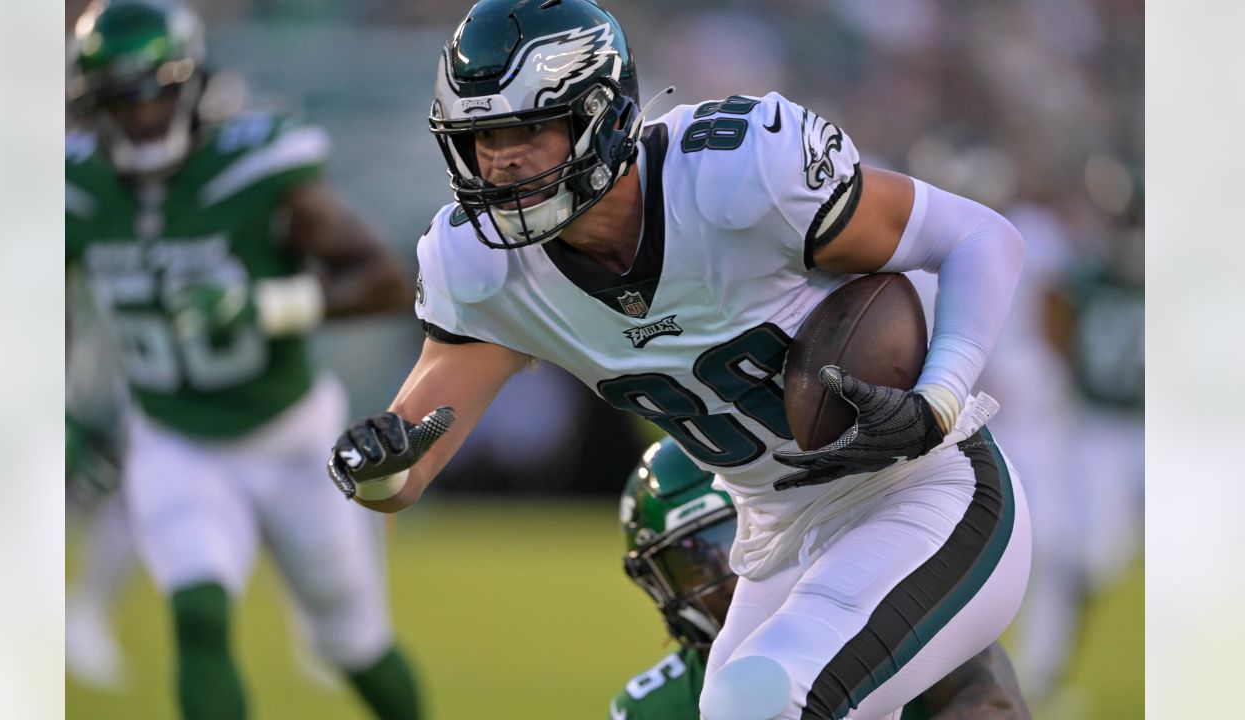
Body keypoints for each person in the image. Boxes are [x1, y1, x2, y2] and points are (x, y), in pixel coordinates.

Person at [328, 1, 1031, 717]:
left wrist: (938, 398)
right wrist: (376, 465)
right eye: (481, 137)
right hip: (776, 538)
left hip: (921, 493)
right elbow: (408, 472)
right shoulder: (482, 268)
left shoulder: (737, 176)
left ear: (601, 116)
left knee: (757, 702)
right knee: (738, 704)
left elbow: (980, 238)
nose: (500, 158)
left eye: (526, 129)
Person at [65, 1, 421, 717]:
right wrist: (66, 412)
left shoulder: (254, 165)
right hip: (175, 438)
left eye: (156, 91)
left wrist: (265, 306)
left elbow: (385, 281)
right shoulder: (77, 189)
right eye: (120, 98)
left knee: (351, 641)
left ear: (193, 84)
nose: (140, 115)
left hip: (290, 436)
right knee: (197, 616)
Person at [612, 437, 1031, 720]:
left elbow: (992, 705)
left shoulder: (900, 623)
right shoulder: (652, 706)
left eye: (749, 537)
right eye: (698, 562)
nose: (732, 576)